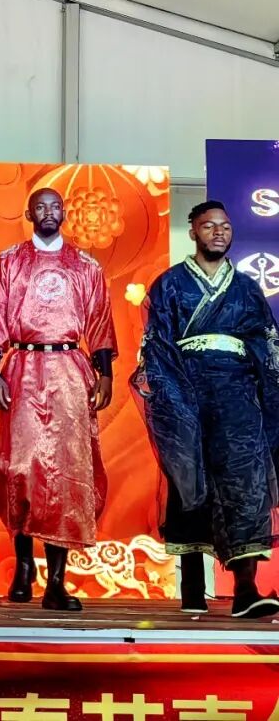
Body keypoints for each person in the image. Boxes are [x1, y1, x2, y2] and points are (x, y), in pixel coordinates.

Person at [135, 201, 279, 619]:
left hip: (237, 395)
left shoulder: (247, 288)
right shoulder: (169, 285)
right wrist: (172, 397)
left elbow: (266, 341)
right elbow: (157, 345)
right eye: (209, 226)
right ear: (193, 231)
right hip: (186, 389)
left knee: (245, 482)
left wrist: (266, 389)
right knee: (189, 478)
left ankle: (246, 588)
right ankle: (193, 587)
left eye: (225, 226)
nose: (219, 232)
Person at [0, 187, 116, 612]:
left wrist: (105, 373)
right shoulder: (8, 262)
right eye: (40, 206)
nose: (48, 212)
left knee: (66, 475)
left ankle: (57, 581)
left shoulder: (86, 266)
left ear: (64, 213)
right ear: (29, 214)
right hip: (23, 367)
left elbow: (100, 322)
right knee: (21, 468)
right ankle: (24, 567)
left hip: (70, 371)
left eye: (55, 206)